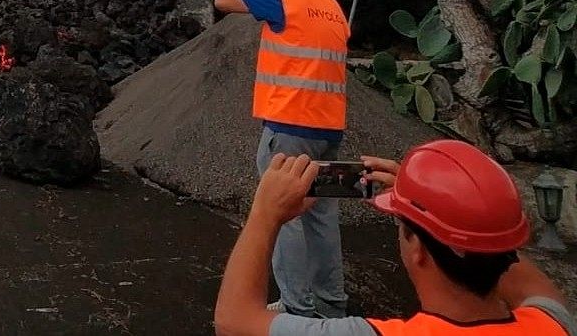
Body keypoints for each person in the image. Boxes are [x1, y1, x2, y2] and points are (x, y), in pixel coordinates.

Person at [215, 140, 576, 335]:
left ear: (417, 248)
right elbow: (498, 245)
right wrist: (434, 198)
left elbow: (234, 321)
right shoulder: (552, 324)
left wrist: (265, 213)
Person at [215, 0, 352, 318]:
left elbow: (223, 1)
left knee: (283, 211)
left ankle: (296, 306)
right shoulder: (330, 5)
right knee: (322, 215)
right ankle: (330, 304)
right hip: (329, 130)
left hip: (290, 127)